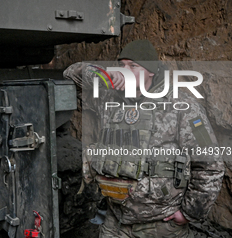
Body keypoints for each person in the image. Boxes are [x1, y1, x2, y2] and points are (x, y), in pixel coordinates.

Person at [63, 40, 224, 238]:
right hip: (115, 220)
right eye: (122, 65)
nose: (125, 71)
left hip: (160, 225)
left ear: (151, 71)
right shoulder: (107, 98)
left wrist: (189, 213)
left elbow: (210, 165)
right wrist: (105, 73)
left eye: (133, 66)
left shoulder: (183, 107)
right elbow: (71, 74)